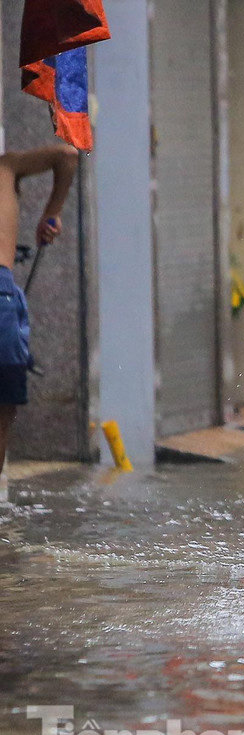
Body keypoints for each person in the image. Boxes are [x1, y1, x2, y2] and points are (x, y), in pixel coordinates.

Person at [0, 144, 79, 494]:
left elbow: (67, 156)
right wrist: (53, 211)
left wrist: (52, 212)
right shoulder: (6, 167)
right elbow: (67, 156)